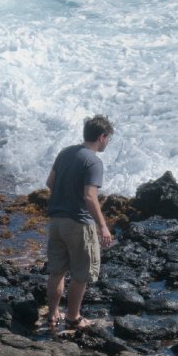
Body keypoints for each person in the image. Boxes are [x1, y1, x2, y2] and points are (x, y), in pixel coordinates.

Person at [45, 115, 114, 330]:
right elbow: (89, 196)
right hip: (79, 224)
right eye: (108, 138)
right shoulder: (93, 161)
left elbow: (50, 183)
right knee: (82, 274)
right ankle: (73, 317)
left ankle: (53, 313)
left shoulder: (65, 152)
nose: (107, 142)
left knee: (57, 271)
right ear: (102, 137)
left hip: (56, 221)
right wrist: (102, 226)